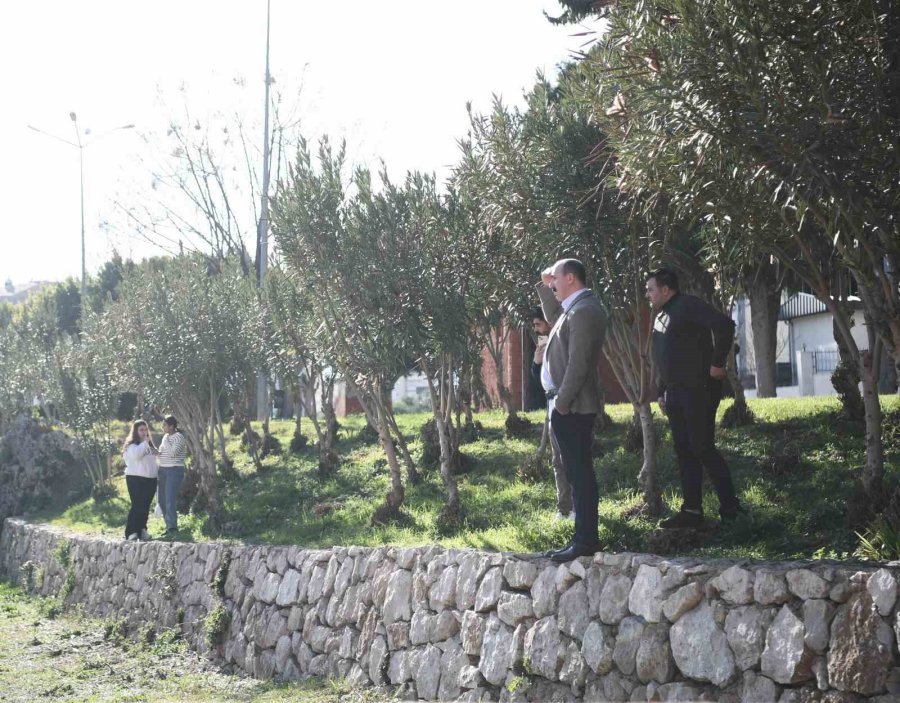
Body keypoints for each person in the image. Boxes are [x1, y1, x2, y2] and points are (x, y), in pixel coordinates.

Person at [646, 267, 744, 528]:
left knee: (702, 447)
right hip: (675, 391)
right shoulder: (661, 315)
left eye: (651, 289)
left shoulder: (688, 305)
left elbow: (725, 324)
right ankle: (691, 511)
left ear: (666, 289)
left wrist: (717, 363)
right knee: (684, 451)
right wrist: (661, 390)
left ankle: (731, 509)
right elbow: (663, 356)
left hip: (699, 389)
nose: (648, 294)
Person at [536, 258, 607, 562]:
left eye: (556, 278)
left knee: (580, 474)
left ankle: (586, 540)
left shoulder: (586, 311)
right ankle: (581, 538)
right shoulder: (572, 310)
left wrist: (562, 403)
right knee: (574, 474)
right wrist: (543, 284)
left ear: (572, 279)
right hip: (565, 406)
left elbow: (579, 363)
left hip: (573, 407)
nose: (552, 284)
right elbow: (554, 316)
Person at [530, 308, 573, 520]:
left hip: (564, 403)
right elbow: (537, 377)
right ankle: (564, 508)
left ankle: (575, 507)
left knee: (568, 457)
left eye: (538, 324)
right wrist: (537, 362)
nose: (536, 329)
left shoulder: (560, 340)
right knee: (557, 459)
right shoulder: (543, 344)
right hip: (551, 404)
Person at [122, 419, 159, 541]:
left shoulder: (148, 445)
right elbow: (137, 456)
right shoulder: (131, 446)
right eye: (141, 430)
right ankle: (131, 532)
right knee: (137, 505)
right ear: (136, 431)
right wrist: (145, 443)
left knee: (145, 506)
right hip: (135, 479)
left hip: (150, 480)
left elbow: (155, 460)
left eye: (145, 429)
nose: (144, 432)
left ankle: (142, 530)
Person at [157, 415, 188, 536]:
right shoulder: (166, 437)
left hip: (174, 471)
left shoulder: (179, 437)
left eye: (164, 425)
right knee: (162, 500)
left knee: (169, 499)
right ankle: (168, 526)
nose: (162, 427)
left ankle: (172, 528)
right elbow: (162, 454)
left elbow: (173, 454)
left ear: (171, 426)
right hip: (163, 470)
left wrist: (165, 441)